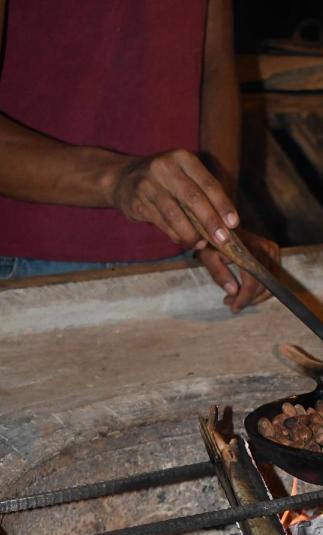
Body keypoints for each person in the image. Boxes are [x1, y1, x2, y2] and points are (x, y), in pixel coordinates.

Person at [0, 0, 278, 312]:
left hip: (178, 251)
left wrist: (218, 226)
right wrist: (116, 178)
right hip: (30, 258)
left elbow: (213, 65)